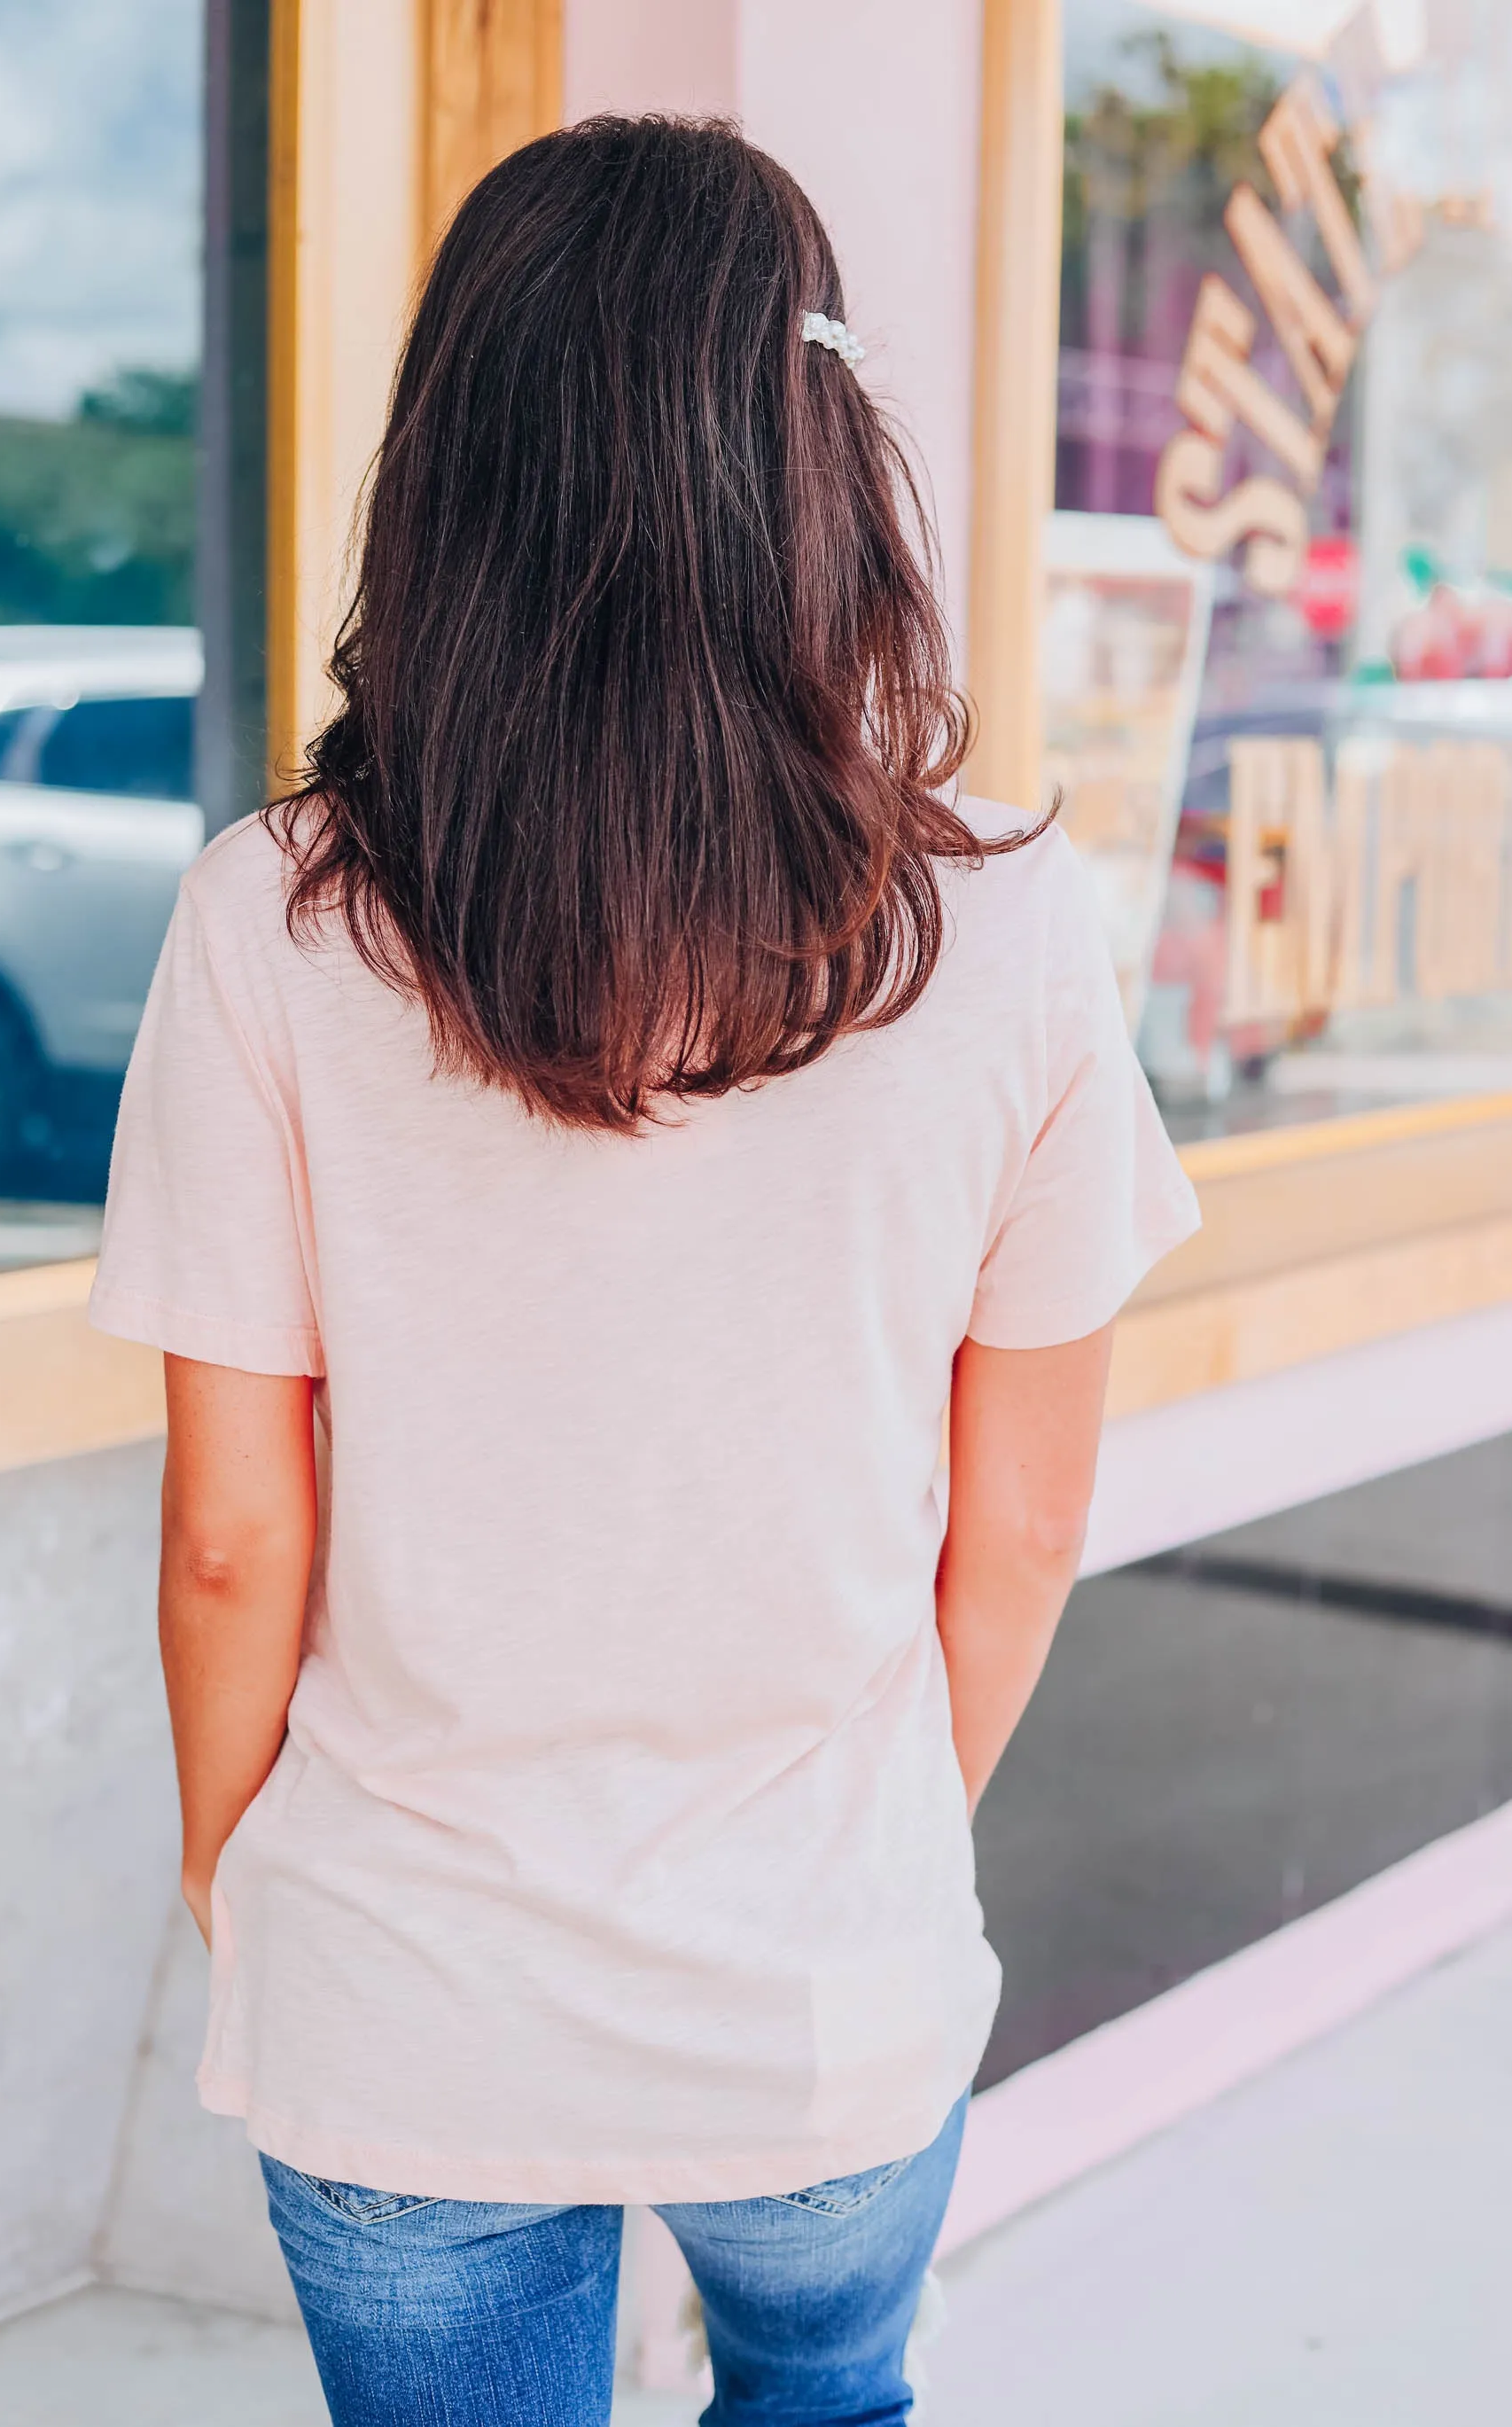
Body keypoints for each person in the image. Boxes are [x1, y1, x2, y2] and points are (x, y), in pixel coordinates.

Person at [91, 114, 1197, 2427]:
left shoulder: (272, 927)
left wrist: (245, 1883)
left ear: (446, 472)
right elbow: (1019, 1523)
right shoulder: (999, 930)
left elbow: (228, 1535)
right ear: (814, 450)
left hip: (405, 1990)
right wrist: (871, 1835)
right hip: (826, 1991)